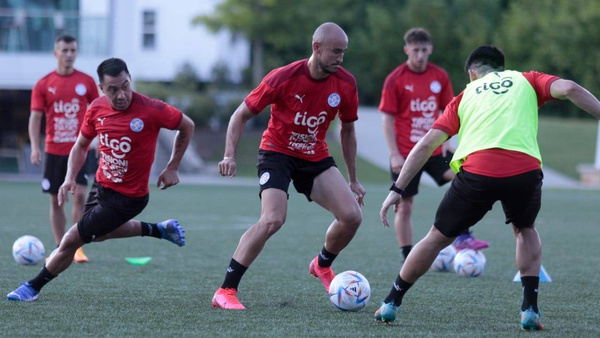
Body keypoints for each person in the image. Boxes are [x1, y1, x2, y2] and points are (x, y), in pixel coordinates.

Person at [374, 45, 600, 330]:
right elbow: (569, 88)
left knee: (436, 238)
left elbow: (427, 144)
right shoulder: (527, 80)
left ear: (472, 73)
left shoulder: (465, 96)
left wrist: (397, 187)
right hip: (525, 171)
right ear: (500, 68)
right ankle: (530, 309)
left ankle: (391, 302)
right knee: (525, 228)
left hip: (478, 173)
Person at [7, 57, 195, 302]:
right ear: (102, 89)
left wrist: (172, 167)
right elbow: (81, 146)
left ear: (130, 80)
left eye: (125, 86)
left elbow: (187, 125)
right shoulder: (96, 108)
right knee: (101, 234)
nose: (121, 95)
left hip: (129, 198)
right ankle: (159, 229)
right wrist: (69, 179)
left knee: (71, 239)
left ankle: (32, 287)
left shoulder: (152, 109)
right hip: (101, 187)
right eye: (113, 89)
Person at [211, 22, 366, 310]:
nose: (340, 58)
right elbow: (240, 115)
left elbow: (347, 130)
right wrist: (229, 155)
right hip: (277, 153)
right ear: (316, 48)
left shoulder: (345, 83)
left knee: (352, 217)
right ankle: (225, 291)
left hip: (314, 156)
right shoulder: (283, 77)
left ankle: (322, 265)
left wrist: (353, 178)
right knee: (273, 219)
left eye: (343, 52)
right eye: (335, 51)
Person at [379, 27, 488, 261]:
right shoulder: (395, 79)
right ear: (406, 50)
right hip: (408, 154)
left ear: (430, 50)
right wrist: (394, 154)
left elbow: (450, 111)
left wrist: (450, 142)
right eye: (415, 50)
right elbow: (387, 119)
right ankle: (407, 255)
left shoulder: (439, 76)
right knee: (405, 205)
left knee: (464, 180)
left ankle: (463, 236)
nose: (420, 55)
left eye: (424, 50)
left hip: (436, 149)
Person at [28, 35, 100, 263]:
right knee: (56, 200)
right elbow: (35, 117)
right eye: (65, 50)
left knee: (79, 195)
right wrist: (34, 146)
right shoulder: (44, 83)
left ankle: (76, 245)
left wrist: (99, 140)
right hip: (53, 150)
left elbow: (99, 111)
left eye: (73, 50)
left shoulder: (87, 81)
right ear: (56, 53)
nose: (69, 54)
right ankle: (61, 246)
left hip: (80, 149)